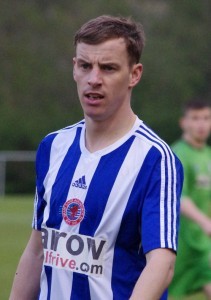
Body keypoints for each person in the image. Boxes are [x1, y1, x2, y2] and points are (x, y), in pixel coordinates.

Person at [9, 15, 183, 300]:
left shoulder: (155, 158)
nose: (94, 79)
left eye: (108, 68)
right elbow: (37, 249)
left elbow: (161, 264)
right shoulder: (53, 147)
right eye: (85, 65)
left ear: (134, 74)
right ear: (74, 67)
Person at [169, 99, 211, 299]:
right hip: (182, 243)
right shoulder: (177, 155)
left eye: (206, 118)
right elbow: (179, 197)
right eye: (195, 118)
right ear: (183, 123)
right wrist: (204, 222)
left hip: (203, 245)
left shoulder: (208, 155)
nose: (201, 124)